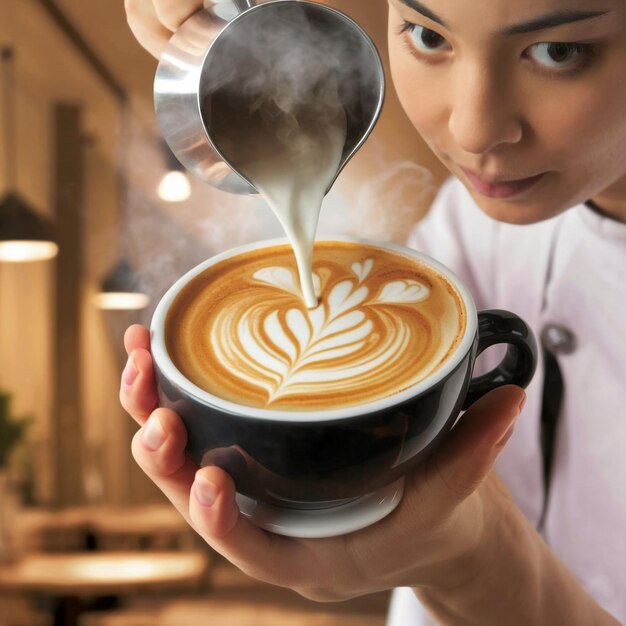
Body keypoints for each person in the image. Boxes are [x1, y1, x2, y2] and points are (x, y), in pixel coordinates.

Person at [120, 0, 626, 623]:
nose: (472, 130)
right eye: (426, 33)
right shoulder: (469, 222)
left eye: (559, 51)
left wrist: (471, 561)